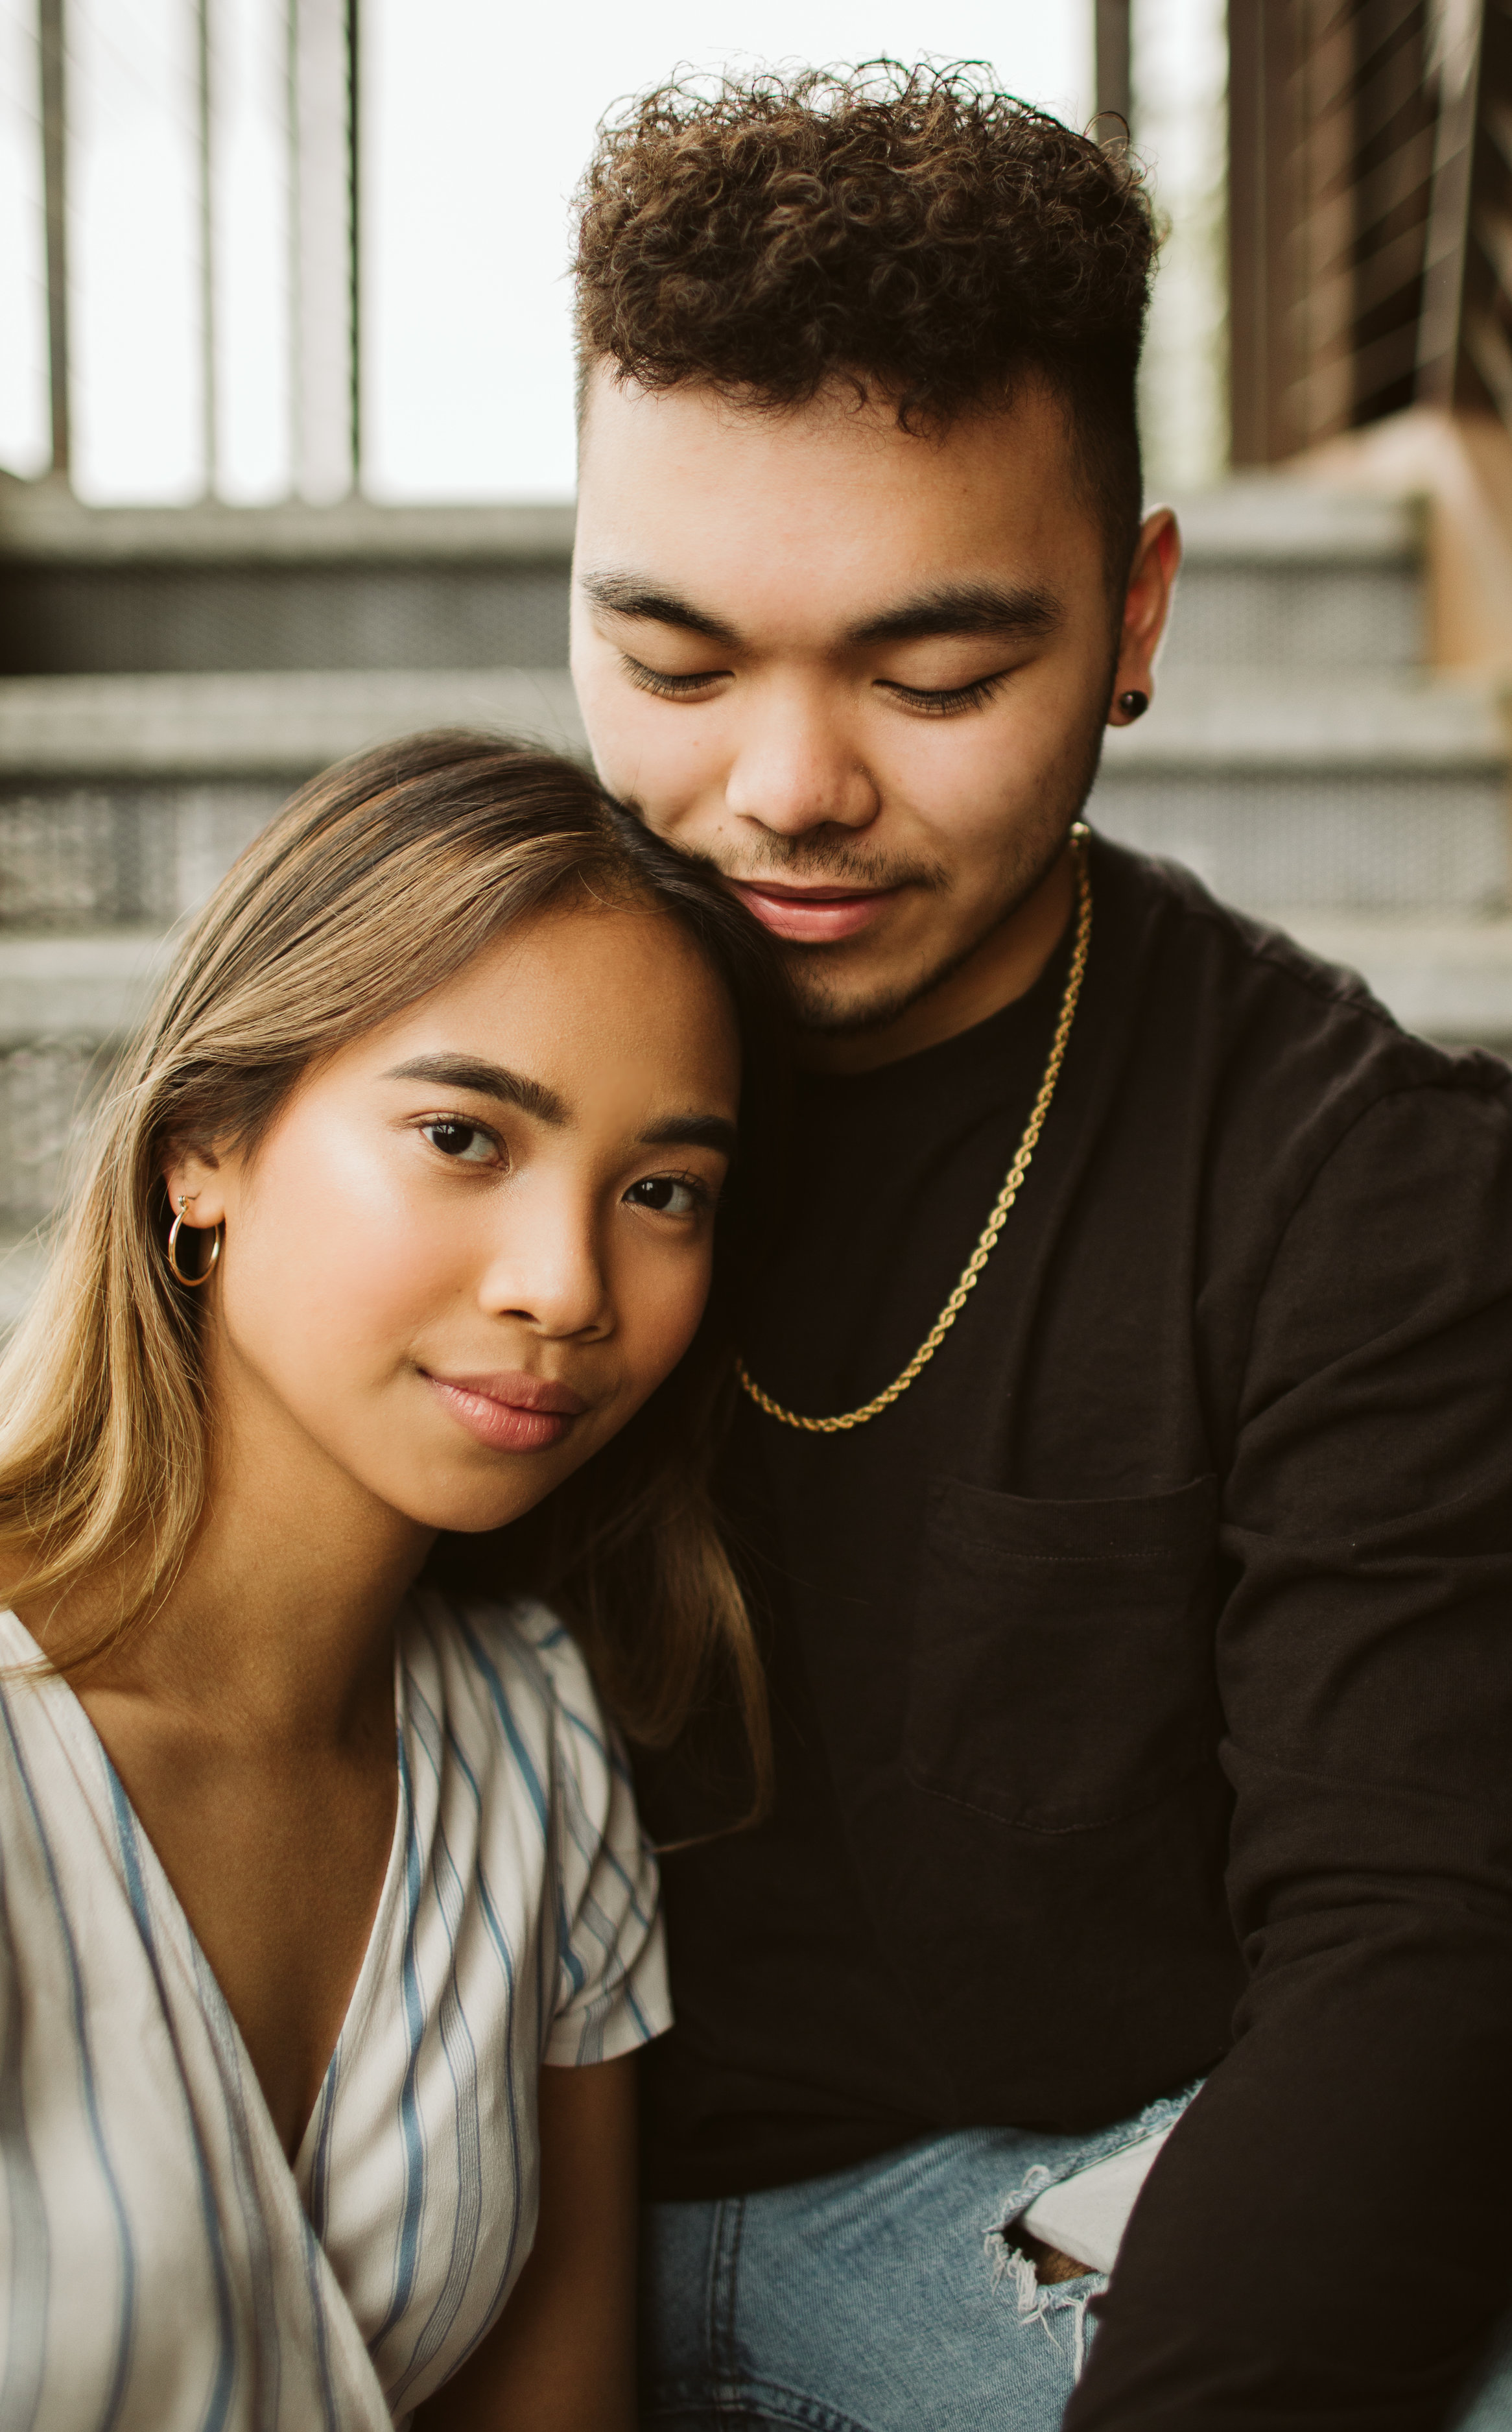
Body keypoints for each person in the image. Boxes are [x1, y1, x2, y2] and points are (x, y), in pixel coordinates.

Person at [566, 62, 1512, 2432]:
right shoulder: (430, 1069)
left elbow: (1418, 1940)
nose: (782, 787)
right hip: (469, 2191)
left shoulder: (1357, 1177)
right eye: (670, 662)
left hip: (1038, 2215)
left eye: (931, 676)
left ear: (1132, 615)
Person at [0, 731, 784, 2432]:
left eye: (662, 1190)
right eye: (464, 1135)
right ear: (201, 1150)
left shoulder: (533, 1740)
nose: (565, 1285)